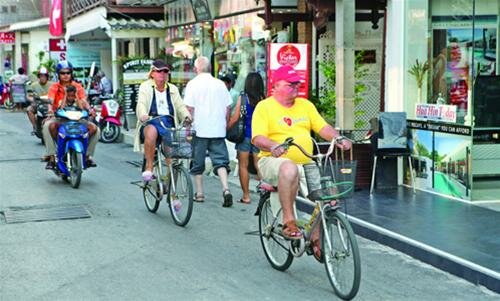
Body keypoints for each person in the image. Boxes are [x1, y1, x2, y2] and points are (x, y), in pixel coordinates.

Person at [252, 65, 351, 240]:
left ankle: (316, 236)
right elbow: (258, 138)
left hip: (307, 163)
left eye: (297, 84)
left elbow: (322, 127)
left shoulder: (305, 105)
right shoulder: (264, 107)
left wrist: (338, 138)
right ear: (276, 86)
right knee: (289, 168)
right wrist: (274, 145)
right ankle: (288, 221)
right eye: (291, 84)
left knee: (330, 197)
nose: (295, 88)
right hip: (272, 161)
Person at [184, 56, 234, 207]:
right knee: (221, 161)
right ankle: (226, 189)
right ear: (210, 68)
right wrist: (224, 123)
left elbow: (189, 109)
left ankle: (199, 193)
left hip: (199, 129)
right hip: (218, 129)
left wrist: (187, 128)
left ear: (195, 69)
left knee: (197, 162)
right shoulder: (220, 84)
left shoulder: (192, 84)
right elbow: (228, 107)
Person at [133, 59, 191, 181]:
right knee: (151, 131)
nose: (162, 74)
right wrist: (143, 114)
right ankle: (149, 167)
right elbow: (141, 103)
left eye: (165, 71)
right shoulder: (146, 86)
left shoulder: (173, 88)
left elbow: (180, 106)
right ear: (152, 73)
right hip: (151, 120)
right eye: (159, 71)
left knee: (173, 159)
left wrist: (187, 116)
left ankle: (172, 190)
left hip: (168, 122)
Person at [42, 60, 99, 169]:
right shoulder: (54, 87)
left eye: (68, 73)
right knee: (47, 126)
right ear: (58, 74)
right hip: (59, 117)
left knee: (95, 129)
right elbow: (50, 100)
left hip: (77, 117)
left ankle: (87, 156)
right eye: (63, 73)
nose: (65, 75)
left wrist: (90, 109)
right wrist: (50, 110)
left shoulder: (78, 86)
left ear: (71, 73)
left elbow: (83, 101)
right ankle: (52, 155)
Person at [227, 72, 266, 204]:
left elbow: (236, 117)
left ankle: (246, 196)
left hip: (244, 136)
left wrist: (226, 127)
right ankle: (265, 193)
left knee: (243, 165)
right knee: (259, 165)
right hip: (259, 136)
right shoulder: (264, 100)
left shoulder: (243, 98)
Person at [48, 85, 98, 151]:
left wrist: (77, 95)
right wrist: (65, 95)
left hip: (78, 121)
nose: (71, 98)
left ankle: (83, 141)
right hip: (65, 121)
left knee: (93, 128)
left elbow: (81, 109)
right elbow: (61, 109)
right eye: (69, 96)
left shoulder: (78, 102)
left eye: (72, 96)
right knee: (52, 126)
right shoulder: (62, 101)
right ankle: (59, 143)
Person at [26, 67, 54, 134]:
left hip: (49, 104)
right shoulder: (33, 85)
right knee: (29, 110)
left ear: (47, 77)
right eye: (41, 76)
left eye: (44, 76)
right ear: (39, 77)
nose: (43, 78)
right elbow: (29, 96)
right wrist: (33, 100)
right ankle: (35, 126)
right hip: (38, 103)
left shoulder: (53, 85)